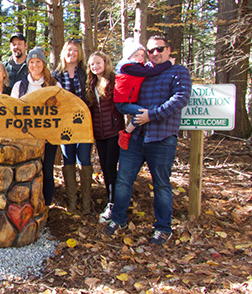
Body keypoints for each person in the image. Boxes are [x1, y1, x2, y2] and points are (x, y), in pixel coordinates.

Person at [103, 36, 192, 245]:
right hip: (135, 137)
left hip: (161, 138)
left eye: (160, 49)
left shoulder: (178, 71)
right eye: (151, 50)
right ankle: (118, 219)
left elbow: (180, 98)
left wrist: (152, 115)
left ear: (169, 49)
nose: (155, 53)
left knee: (161, 185)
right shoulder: (140, 70)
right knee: (123, 180)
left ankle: (163, 228)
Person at [11, 47, 61, 212]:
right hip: (25, 138)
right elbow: (12, 112)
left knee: (46, 171)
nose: (34, 65)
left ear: (44, 64)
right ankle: (26, 207)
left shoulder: (53, 84)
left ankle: (45, 207)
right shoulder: (20, 86)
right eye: (31, 62)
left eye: (38, 61)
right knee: (25, 171)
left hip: (48, 138)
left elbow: (62, 110)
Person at [51, 39, 92, 214]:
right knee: (68, 159)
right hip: (65, 123)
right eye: (69, 50)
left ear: (80, 53)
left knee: (84, 159)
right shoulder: (56, 75)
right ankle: (72, 202)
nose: (72, 53)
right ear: (64, 53)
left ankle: (87, 203)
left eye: (75, 50)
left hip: (84, 123)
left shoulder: (86, 73)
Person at [115, 38, 175, 150]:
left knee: (142, 114)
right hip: (123, 103)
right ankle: (125, 133)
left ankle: (126, 132)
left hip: (129, 101)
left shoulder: (134, 67)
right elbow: (149, 72)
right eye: (136, 55)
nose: (140, 58)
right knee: (142, 114)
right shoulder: (127, 66)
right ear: (129, 56)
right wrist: (168, 63)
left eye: (142, 55)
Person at [86, 52, 125, 223]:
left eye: (98, 63)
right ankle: (112, 202)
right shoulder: (91, 83)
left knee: (111, 168)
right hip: (99, 134)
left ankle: (114, 204)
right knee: (105, 168)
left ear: (105, 63)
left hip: (114, 132)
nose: (95, 66)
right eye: (92, 64)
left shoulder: (114, 80)